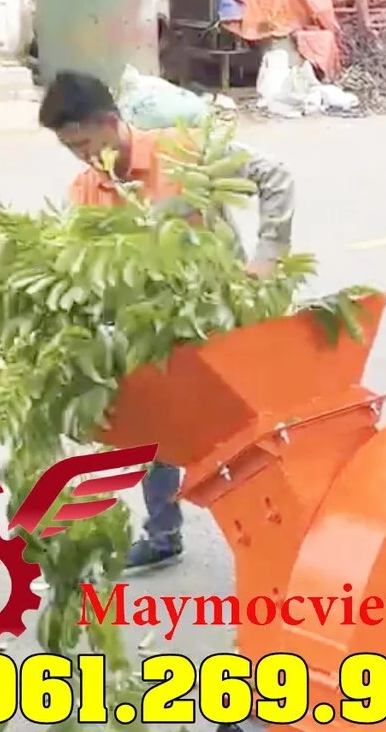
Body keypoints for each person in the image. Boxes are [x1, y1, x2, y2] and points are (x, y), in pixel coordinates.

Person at [38, 70, 296, 573]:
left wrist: (268, 257)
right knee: (156, 425)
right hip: (157, 332)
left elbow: (276, 178)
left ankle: (285, 535)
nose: (83, 157)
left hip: (224, 319)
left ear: (111, 122)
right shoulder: (86, 192)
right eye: (70, 149)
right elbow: (80, 268)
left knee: (248, 434)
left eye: (85, 143)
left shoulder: (182, 151)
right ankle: (163, 533)